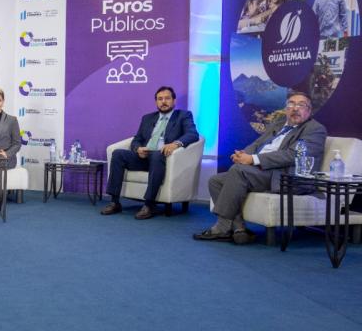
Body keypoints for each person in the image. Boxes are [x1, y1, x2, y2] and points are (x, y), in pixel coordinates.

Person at [194, 92, 327, 244]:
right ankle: (239, 228)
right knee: (215, 181)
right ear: (286, 108)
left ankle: (222, 227)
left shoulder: (315, 129)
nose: (295, 108)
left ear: (309, 110)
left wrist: (252, 159)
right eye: (291, 104)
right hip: (261, 171)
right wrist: (243, 154)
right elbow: (258, 144)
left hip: (283, 175)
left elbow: (293, 155)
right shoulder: (279, 123)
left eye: (301, 105)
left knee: (238, 171)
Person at [101, 86, 199, 219]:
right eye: (160, 99)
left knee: (157, 154)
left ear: (174, 101)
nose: (163, 102)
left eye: (167, 98)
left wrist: (175, 144)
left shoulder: (183, 115)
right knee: (118, 154)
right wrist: (138, 149)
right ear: (156, 102)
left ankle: (149, 204)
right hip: (143, 157)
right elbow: (137, 139)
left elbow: (192, 134)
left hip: (163, 159)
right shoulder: (147, 118)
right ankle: (114, 201)